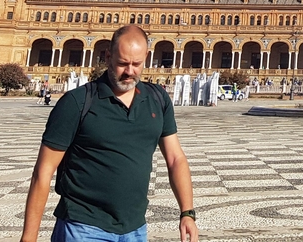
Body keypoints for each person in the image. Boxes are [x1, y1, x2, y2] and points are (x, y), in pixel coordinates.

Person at [21, 24, 198, 242]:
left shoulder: (157, 99)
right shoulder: (77, 102)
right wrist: (29, 237)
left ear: (147, 57)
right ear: (107, 56)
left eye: (137, 64)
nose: (130, 71)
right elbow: (43, 172)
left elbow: (175, 158)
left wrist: (187, 212)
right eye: (123, 63)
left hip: (135, 229)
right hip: (83, 227)